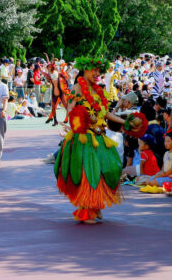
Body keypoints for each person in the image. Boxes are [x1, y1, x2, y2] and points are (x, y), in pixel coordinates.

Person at [54, 56, 132, 224]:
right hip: (84, 138)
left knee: (108, 170)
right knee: (88, 173)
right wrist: (79, 115)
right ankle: (85, 210)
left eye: (99, 71)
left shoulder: (99, 91)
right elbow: (70, 109)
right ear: (85, 70)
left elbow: (107, 113)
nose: (97, 73)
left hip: (99, 137)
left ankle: (95, 205)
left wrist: (124, 121)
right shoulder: (77, 88)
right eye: (94, 70)